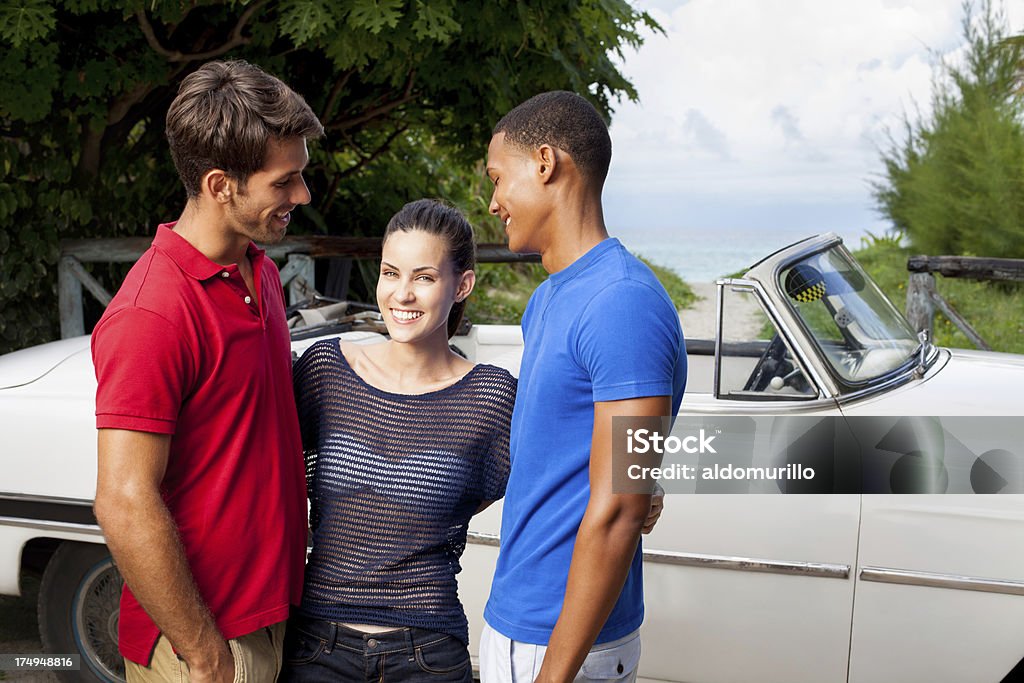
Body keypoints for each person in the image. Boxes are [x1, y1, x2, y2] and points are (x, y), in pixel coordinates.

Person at [91, 60, 323, 683]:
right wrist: (205, 653)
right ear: (221, 184)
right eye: (285, 181)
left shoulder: (261, 270)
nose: (301, 196)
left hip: (270, 615)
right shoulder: (151, 313)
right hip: (207, 641)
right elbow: (123, 500)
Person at [480, 91, 687, 683]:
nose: (494, 203)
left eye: (499, 179)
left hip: (564, 647)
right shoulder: (548, 298)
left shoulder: (620, 302)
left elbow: (621, 503)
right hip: (518, 621)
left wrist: (555, 675)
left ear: (545, 163)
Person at [279, 198, 517, 682]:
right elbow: (251, 450)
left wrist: (639, 484)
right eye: (391, 273)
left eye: (424, 278)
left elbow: (567, 469)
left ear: (462, 285)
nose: (402, 294)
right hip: (315, 646)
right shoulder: (326, 371)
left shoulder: (490, 397)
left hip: (427, 652)